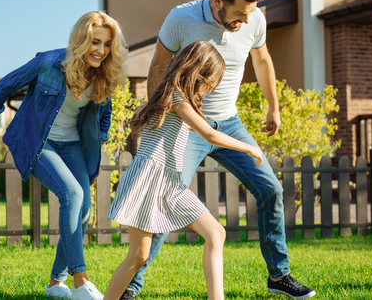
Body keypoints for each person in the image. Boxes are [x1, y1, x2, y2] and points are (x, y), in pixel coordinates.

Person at [118, 0, 316, 299]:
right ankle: (130, 287)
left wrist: (273, 106)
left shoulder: (254, 18)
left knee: (271, 189)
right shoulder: (181, 18)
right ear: (218, 1)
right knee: (164, 198)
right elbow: (157, 67)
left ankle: (279, 276)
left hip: (229, 123)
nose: (245, 19)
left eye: (250, 13)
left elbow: (262, 60)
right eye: (239, 13)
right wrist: (160, 110)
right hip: (187, 123)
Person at [0, 11, 128, 300]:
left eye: (107, 45)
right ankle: (81, 279)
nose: (101, 51)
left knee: (83, 211)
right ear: (81, 40)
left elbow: (103, 118)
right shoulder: (48, 62)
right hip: (39, 141)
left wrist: (97, 150)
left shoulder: (103, 74)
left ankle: (56, 283)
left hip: (72, 146)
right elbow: (4, 86)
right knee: (71, 194)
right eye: (95, 42)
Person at [103, 41, 263, 300]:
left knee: (215, 233)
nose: (211, 87)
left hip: (171, 182)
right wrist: (249, 147)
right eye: (211, 80)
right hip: (150, 178)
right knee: (138, 255)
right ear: (198, 71)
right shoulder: (174, 95)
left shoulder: (182, 99)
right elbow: (210, 134)